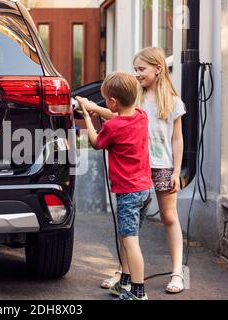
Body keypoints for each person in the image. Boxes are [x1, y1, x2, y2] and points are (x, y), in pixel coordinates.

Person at [92, 47, 187, 294]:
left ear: (158, 68)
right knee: (129, 227)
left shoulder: (174, 102)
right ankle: (123, 272)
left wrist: (176, 171)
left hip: (163, 165)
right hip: (139, 166)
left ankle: (177, 272)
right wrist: (94, 108)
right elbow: (118, 118)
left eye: (141, 69)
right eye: (135, 69)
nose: (137, 74)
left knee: (169, 217)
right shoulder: (137, 98)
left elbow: (178, 139)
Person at [76, 72, 153, 300]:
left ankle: (138, 292)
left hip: (128, 193)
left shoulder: (113, 127)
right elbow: (115, 115)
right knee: (126, 236)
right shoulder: (141, 115)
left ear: (112, 101)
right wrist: (96, 108)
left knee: (131, 242)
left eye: (106, 100)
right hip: (144, 190)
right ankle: (125, 282)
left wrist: (88, 117)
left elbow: (96, 142)